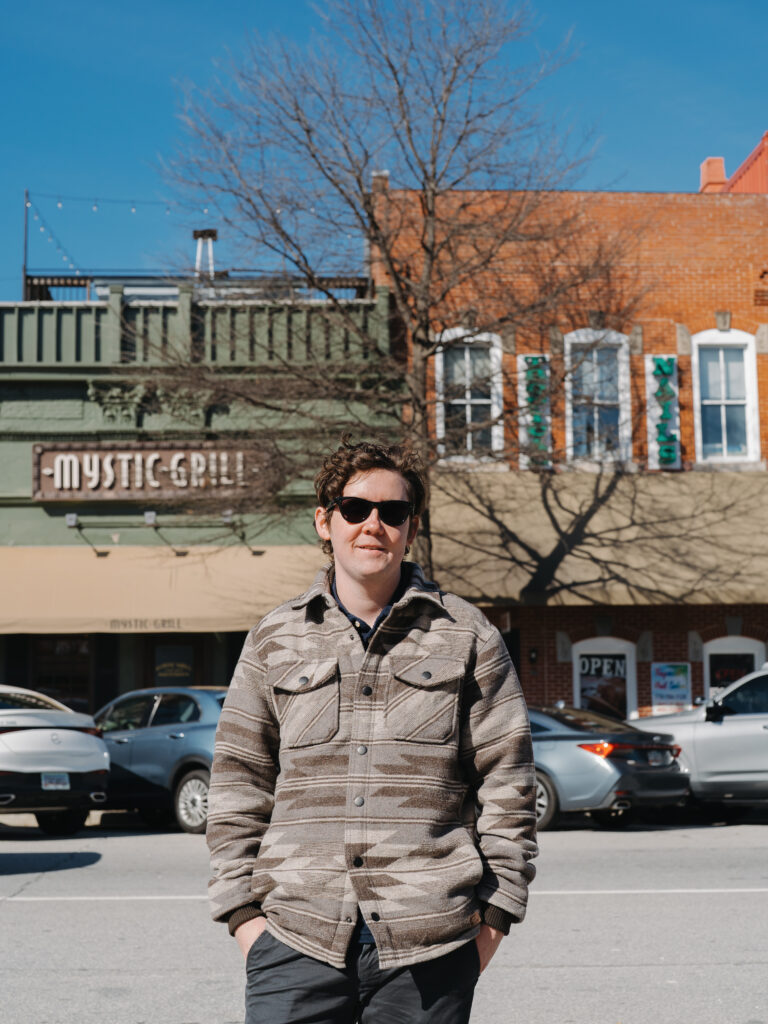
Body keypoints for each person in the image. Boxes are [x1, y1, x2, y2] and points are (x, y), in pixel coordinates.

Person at [207, 439, 538, 1024]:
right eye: (355, 509)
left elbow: (508, 785)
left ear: (411, 529)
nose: (373, 525)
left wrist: (494, 921)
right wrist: (244, 919)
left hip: (431, 947)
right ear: (325, 521)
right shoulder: (273, 638)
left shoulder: (468, 635)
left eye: (393, 512)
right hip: (294, 939)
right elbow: (239, 780)